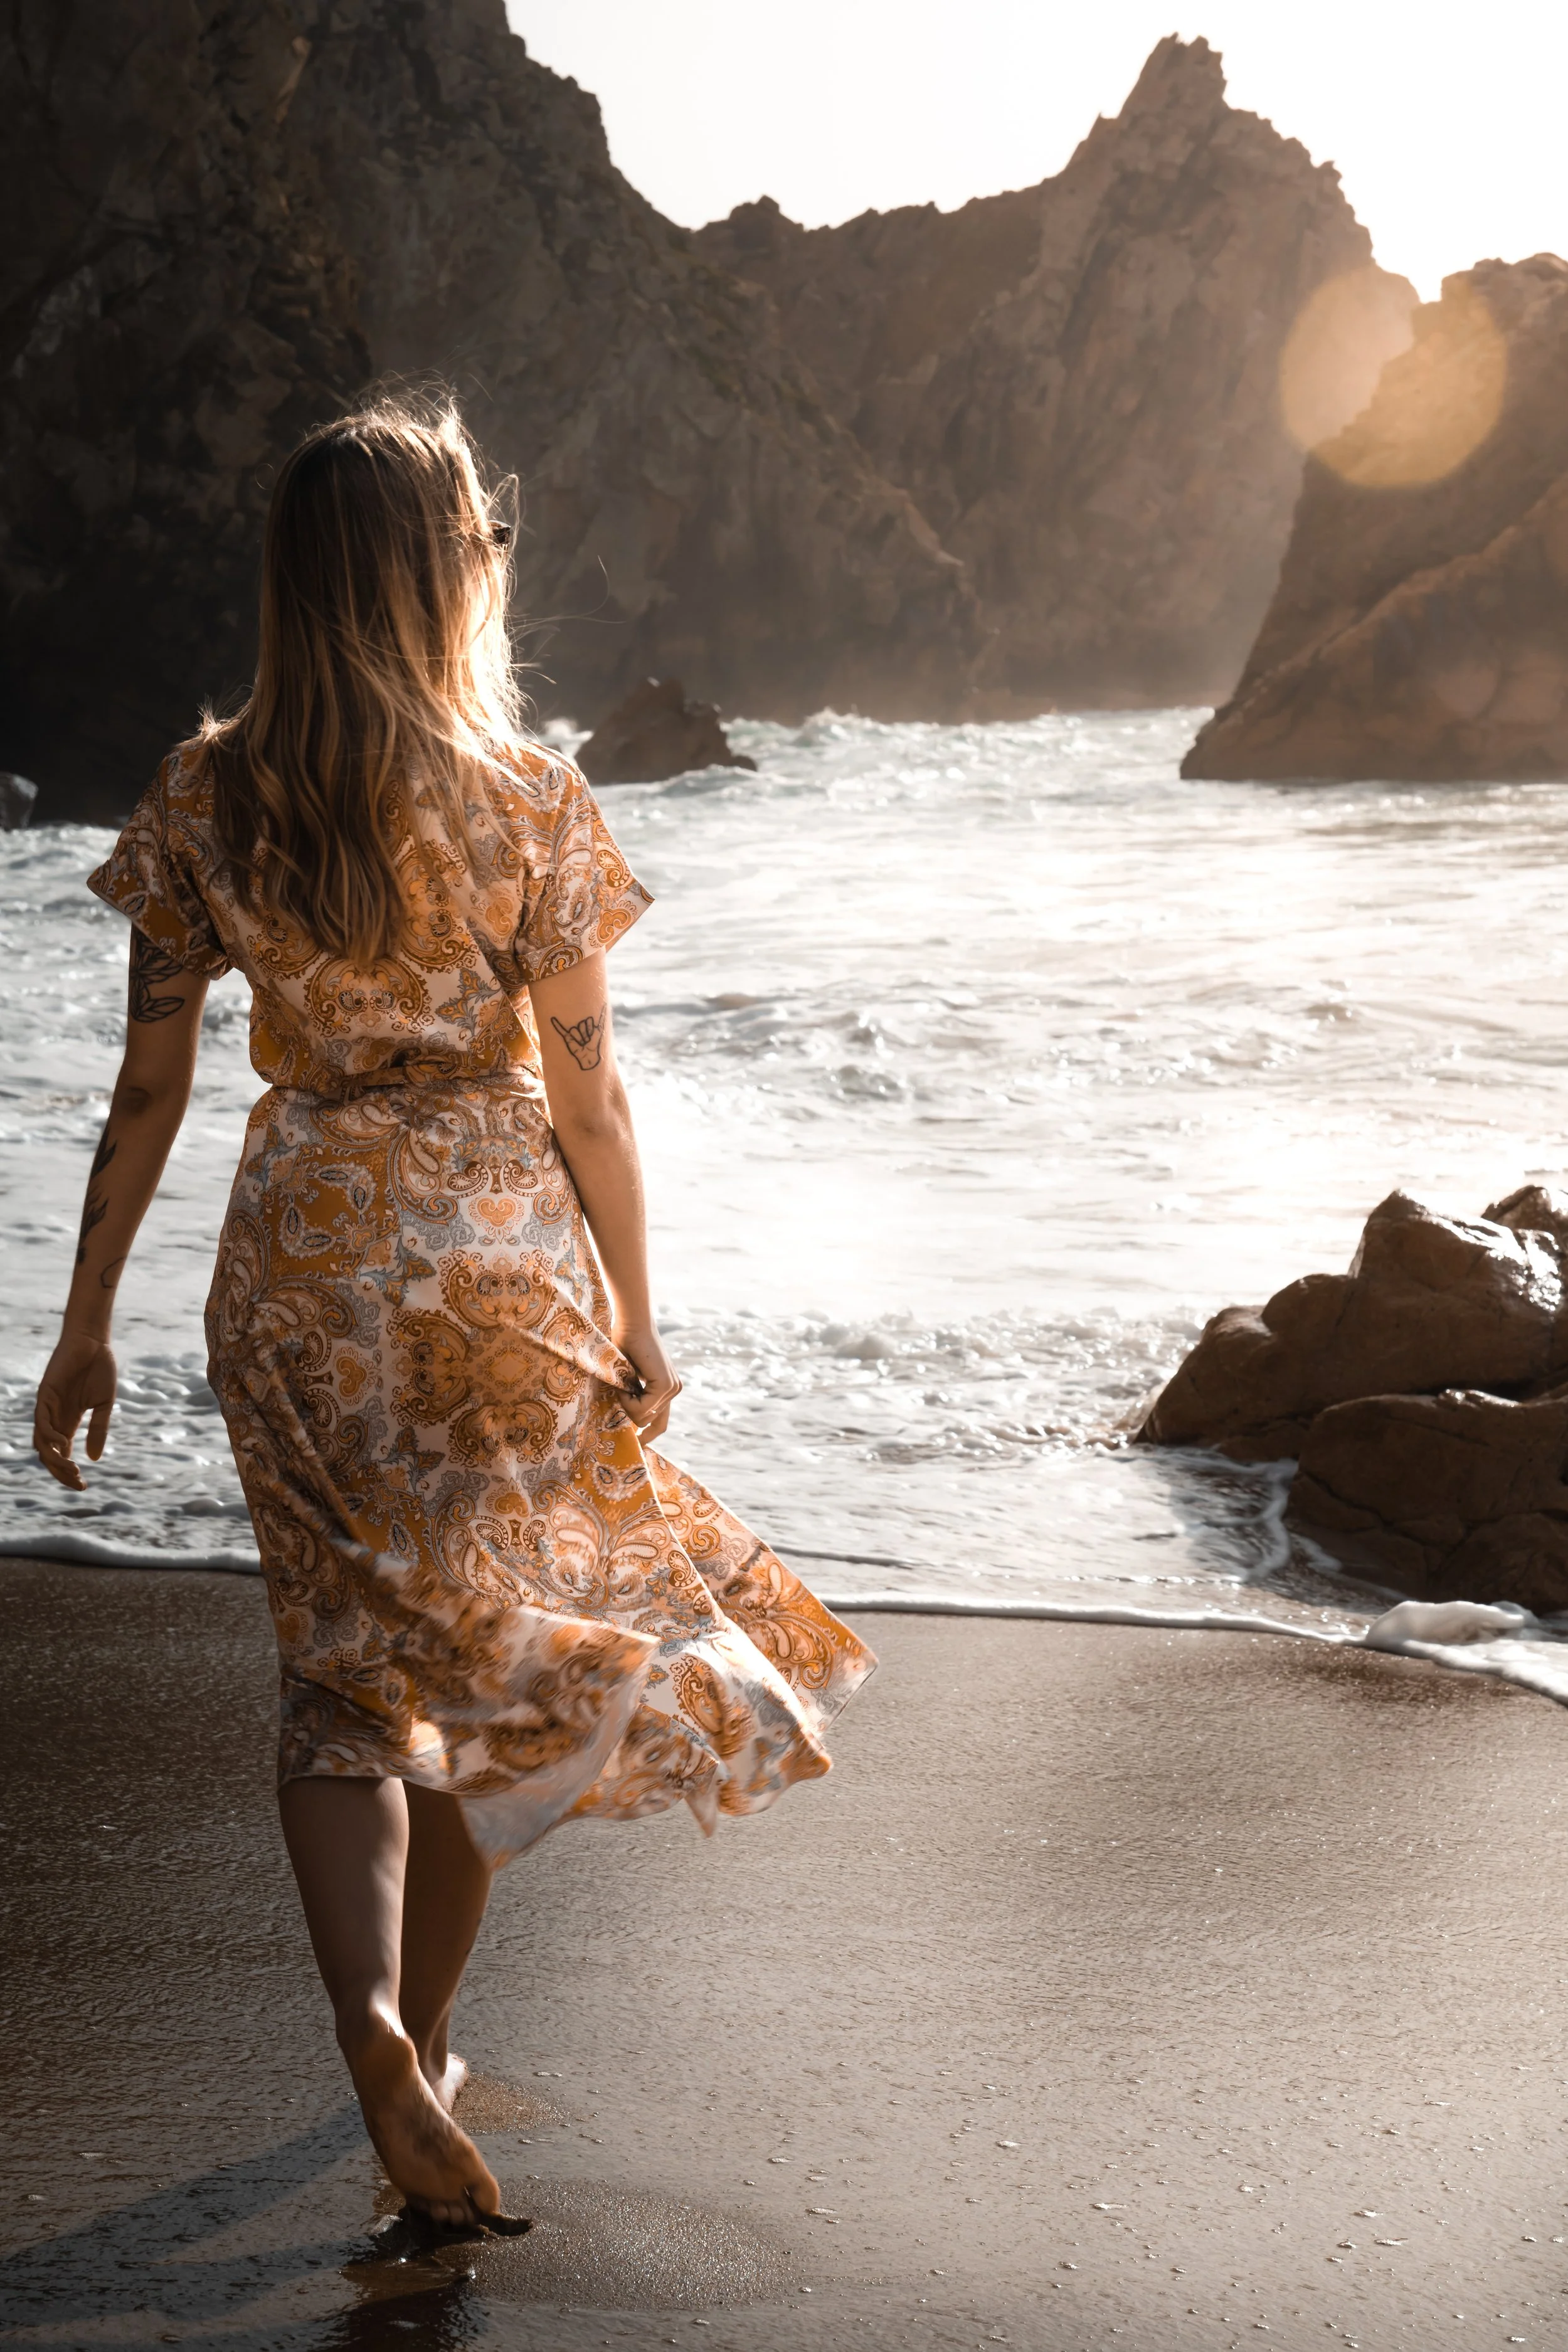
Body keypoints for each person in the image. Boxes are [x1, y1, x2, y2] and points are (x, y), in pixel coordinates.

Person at [33, 398, 875, 2228]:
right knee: (489, 1670)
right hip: (494, 1264)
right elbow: (589, 1097)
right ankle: (429, 2030)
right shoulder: (527, 796)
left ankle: (373, 2036)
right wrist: (639, 1316)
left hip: (301, 1256)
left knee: (343, 1675)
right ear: (442, 575)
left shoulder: (204, 791)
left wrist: (81, 1319)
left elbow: (148, 1091)